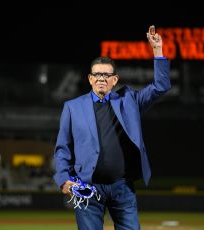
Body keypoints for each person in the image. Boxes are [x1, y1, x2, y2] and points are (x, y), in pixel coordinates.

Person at [53, 25, 171, 229]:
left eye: (106, 75)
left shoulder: (129, 100)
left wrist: (158, 51)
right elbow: (62, 148)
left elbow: (161, 86)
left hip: (122, 187)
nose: (101, 79)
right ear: (90, 79)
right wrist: (63, 179)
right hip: (87, 187)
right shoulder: (72, 108)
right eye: (97, 75)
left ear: (114, 80)